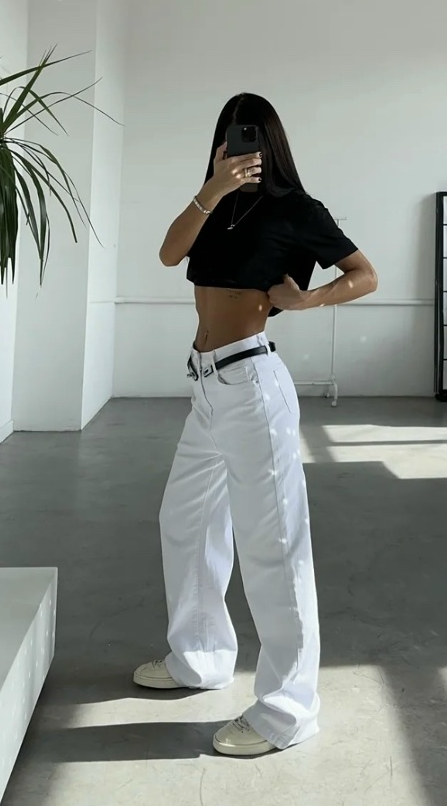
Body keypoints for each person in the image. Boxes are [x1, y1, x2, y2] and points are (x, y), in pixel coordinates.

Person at [133, 93, 378, 757]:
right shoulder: (210, 205)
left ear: (271, 143)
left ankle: (287, 711)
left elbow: (365, 275)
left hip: (251, 385)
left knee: (273, 547)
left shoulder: (297, 209)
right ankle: (200, 657)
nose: (240, 146)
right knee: (185, 520)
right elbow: (168, 254)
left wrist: (310, 298)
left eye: (251, 136)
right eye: (229, 135)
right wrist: (212, 189)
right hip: (207, 388)